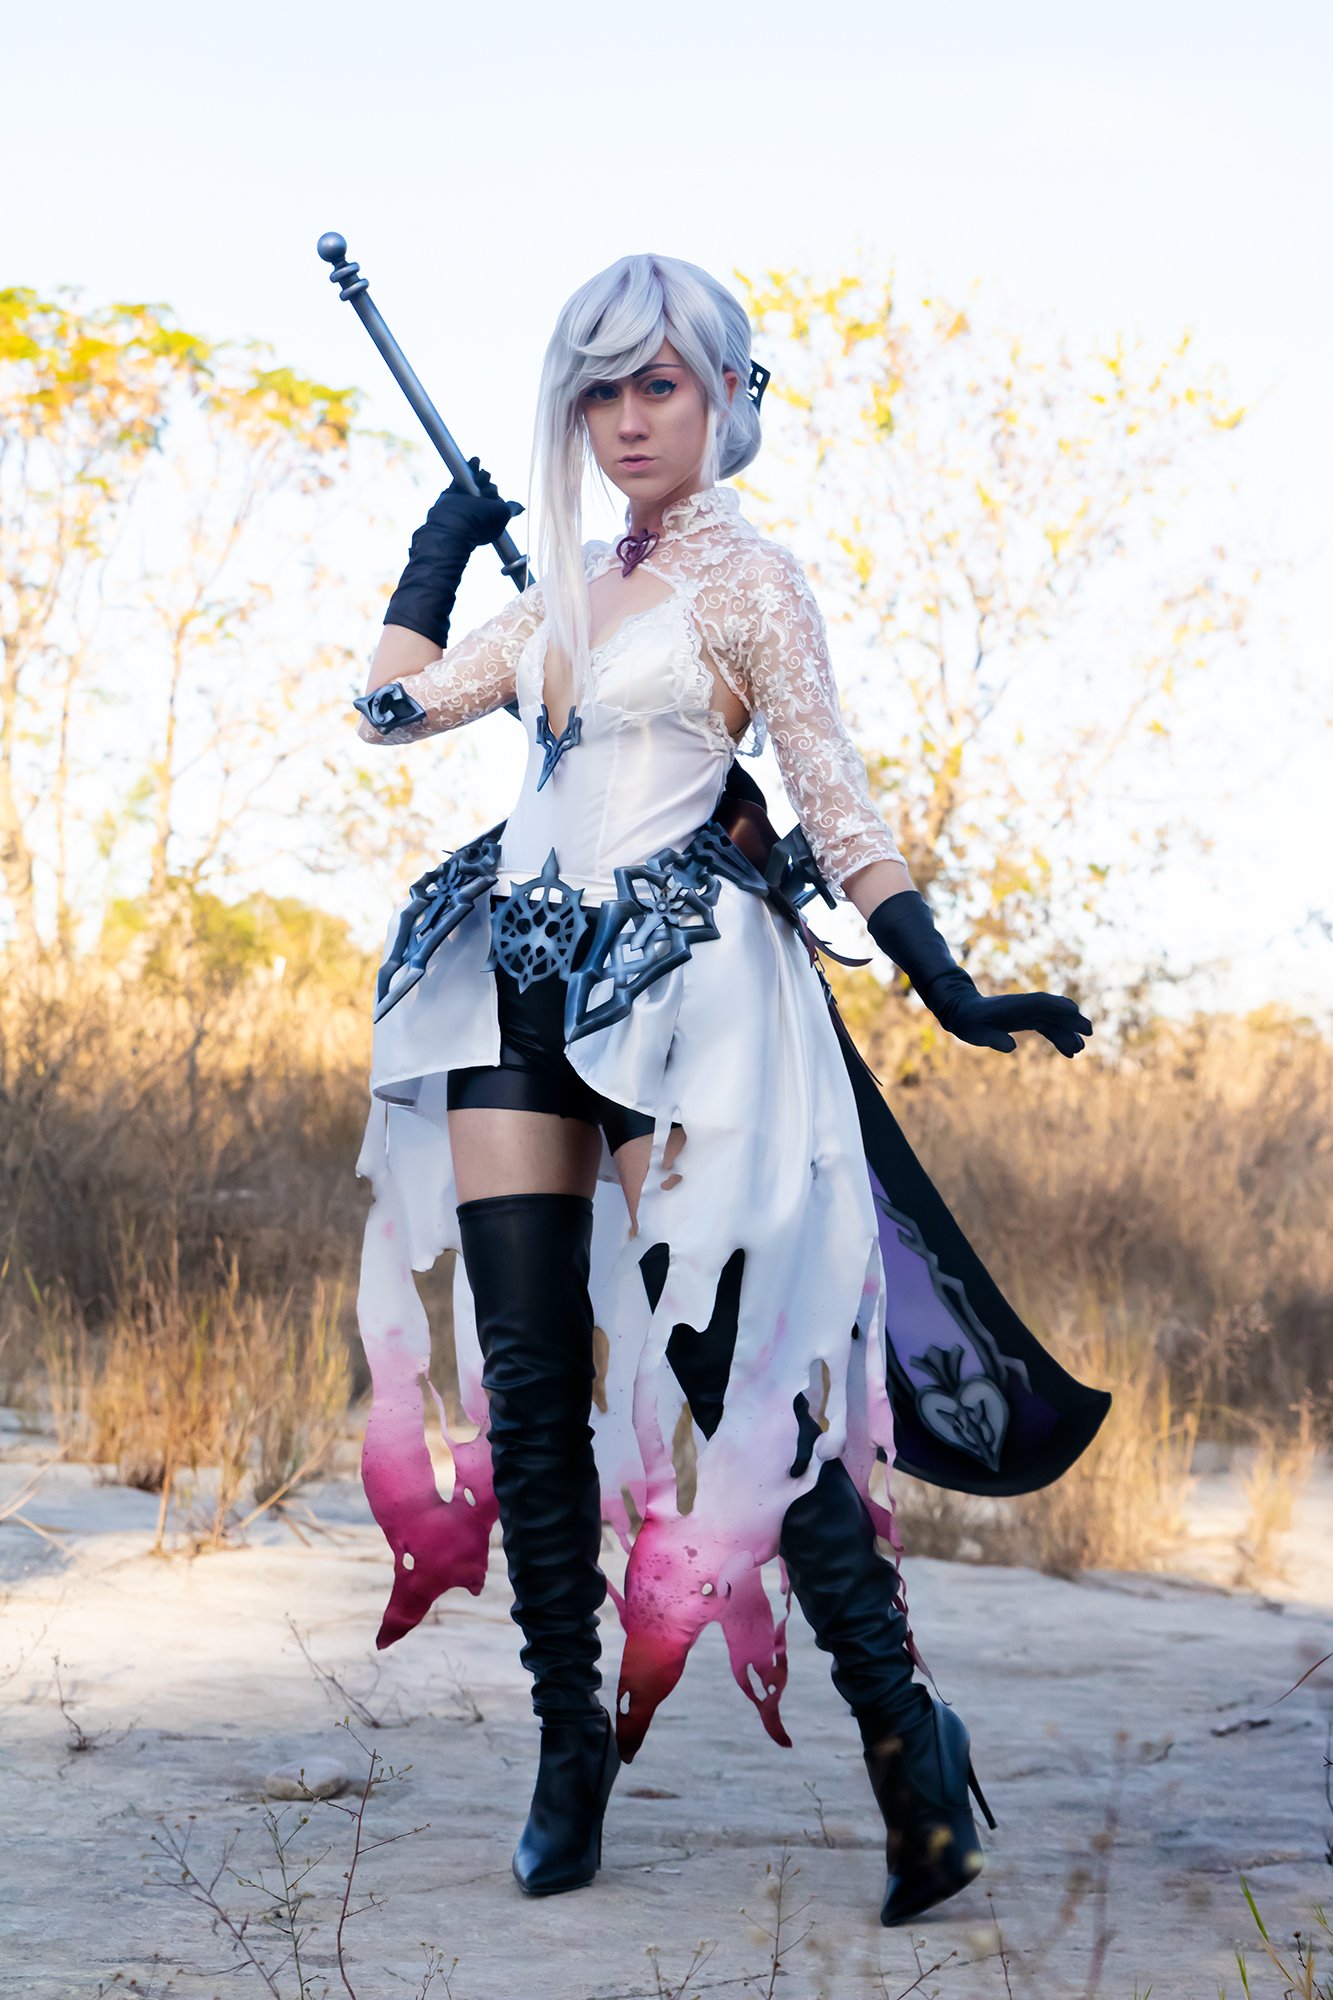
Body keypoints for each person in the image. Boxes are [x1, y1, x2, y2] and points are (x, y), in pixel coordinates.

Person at [351, 253, 1092, 1920]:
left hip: (684, 995)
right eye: (598, 391)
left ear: (720, 399)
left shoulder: (754, 584)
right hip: (510, 981)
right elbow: (390, 709)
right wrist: (438, 548)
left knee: (737, 1370)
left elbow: (829, 789)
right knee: (528, 1378)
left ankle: (908, 1747)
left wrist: (941, 972)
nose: (624, 419)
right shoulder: (554, 597)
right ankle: (567, 1744)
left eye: (657, 386)